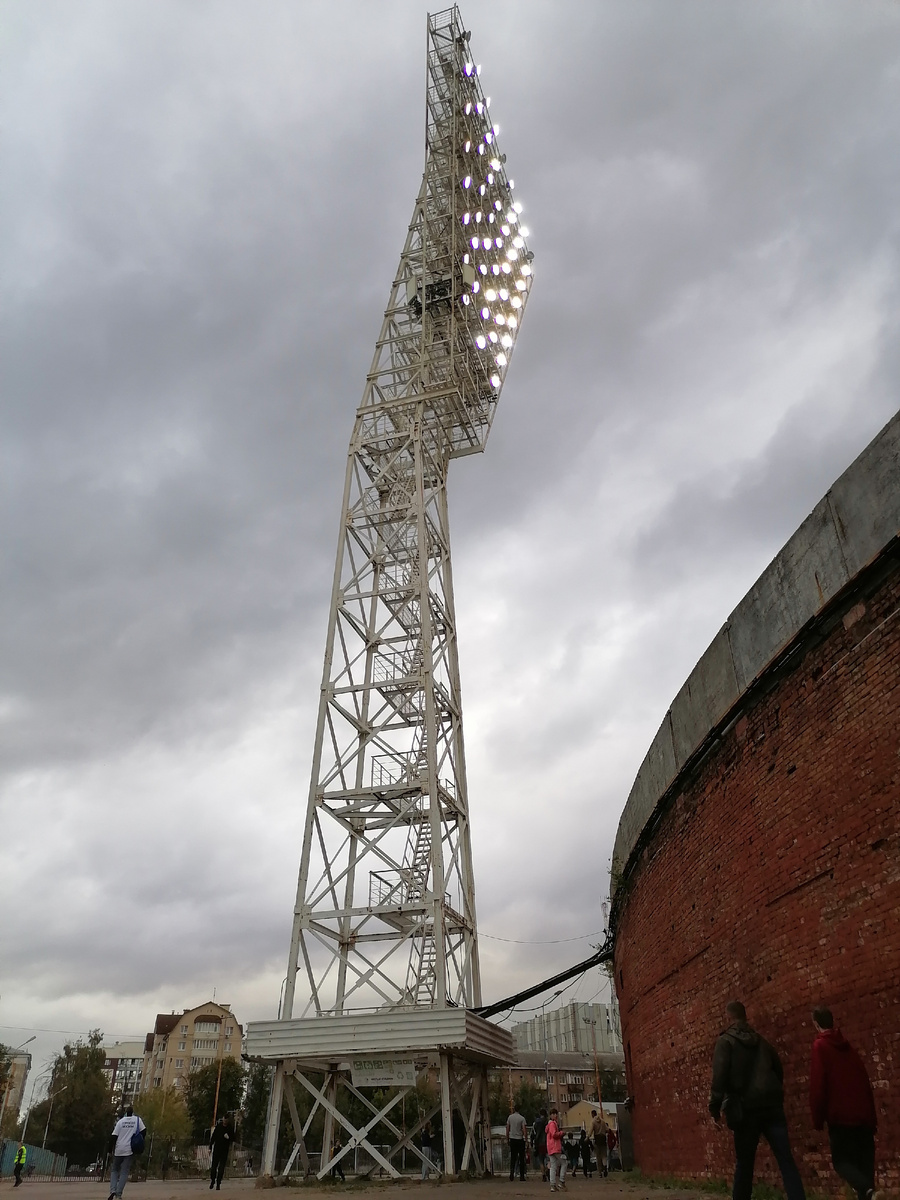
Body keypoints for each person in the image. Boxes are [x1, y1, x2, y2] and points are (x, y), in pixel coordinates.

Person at [709, 1000, 806, 1200]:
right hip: (771, 1106)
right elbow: (778, 1069)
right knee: (786, 1160)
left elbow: (719, 1076)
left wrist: (715, 1106)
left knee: (745, 1164)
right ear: (745, 1017)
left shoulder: (725, 1042)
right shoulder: (762, 1041)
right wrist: (773, 1093)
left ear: (728, 1018)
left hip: (745, 1109)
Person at [809, 1006, 883, 1200]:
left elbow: (818, 1085)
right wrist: (872, 1118)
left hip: (840, 1118)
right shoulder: (848, 1047)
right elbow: (864, 1081)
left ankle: (868, 1189)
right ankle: (870, 1192)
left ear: (816, 1024)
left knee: (842, 1162)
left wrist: (817, 1119)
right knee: (864, 1166)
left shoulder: (820, 1047)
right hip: (863, 1117)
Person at [108, 1104, 145, 1200]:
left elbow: (114, 1136)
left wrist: (109, 1150)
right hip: (129, 1150)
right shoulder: (137, 1120)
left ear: (125, 1113)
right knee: (124, 1172)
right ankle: (118, 1195)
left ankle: (112, 1190)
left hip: (118, 1150)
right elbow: (144, 1131)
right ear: (132, 1112)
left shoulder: (120, 1122)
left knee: (114, 1170)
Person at [209, 1116, 233, 1190]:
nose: (225, 1121)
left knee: (221, 1168)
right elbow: (213, 1137)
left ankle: (218, 1183)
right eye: (224, 1119)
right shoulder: (218, 1127)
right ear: (223, 1119)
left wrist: (229, 1138)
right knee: (213, 1167)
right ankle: (212, 1181)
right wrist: (210, 1147)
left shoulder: (230, 1128)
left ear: (228, 1120)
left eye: (226, 1119)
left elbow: (234, 1138)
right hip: (216, 1150)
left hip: (224, 1151)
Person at [546, 1106, 566, 1192]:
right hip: (555, 1147)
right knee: (564, 1162)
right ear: (552, 1115)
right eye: (554, 1114)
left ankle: (552, 1185)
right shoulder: (553, 1124)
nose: (556, 1116)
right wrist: (561, 1133)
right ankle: (561, 1181)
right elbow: (554, 1134)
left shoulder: (549, 1124)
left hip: (550, 1148)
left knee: (553, 1166)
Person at [507, 1103, 528, 1181]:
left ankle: (511, 1174)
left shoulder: (510, 1117)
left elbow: (507, 1128)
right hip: (519, 1139)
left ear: (514, 1109)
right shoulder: (522, 1118)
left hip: (512, 1139)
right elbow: (524, 1130)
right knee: (521, 1158)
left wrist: (507, 1138)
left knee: (513, 1157)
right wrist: (526, 1139)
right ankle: (522, 1176)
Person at [590, 1109, 608, 1177]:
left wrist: (587, 1137)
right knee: (604, 1156)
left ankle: (600, 1172)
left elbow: (591, 1131)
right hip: (603, 1139)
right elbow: (607, 1129)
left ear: (592, 1114)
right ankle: (605, 1166)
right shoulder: (603, 1121)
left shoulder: (593, 1122)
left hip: (597, 1140)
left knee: (598, 1157)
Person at [532, 1109, 548, 1183]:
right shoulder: (548, 1122)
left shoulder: (536, 1123)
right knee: (549, 1159)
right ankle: (548, 1169)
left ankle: (543, 1174)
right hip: (548, 1142)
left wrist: (535, 1143)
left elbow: (535, 1134)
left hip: (540, 1143)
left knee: (541, 1160)